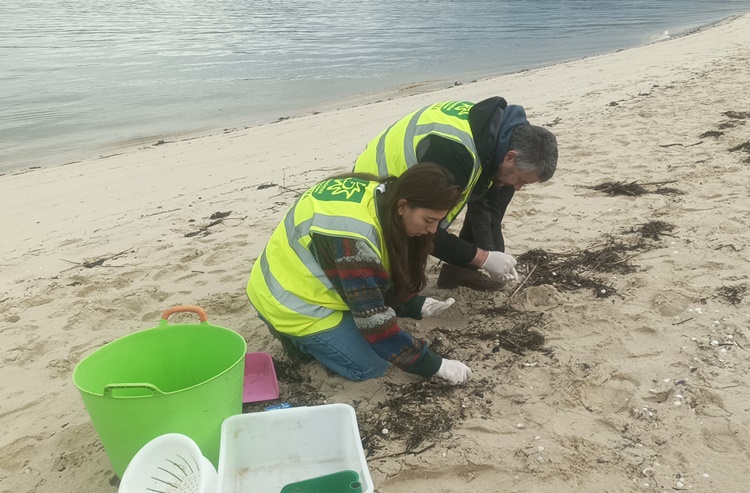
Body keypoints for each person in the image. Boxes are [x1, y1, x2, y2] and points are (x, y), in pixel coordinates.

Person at [246, 163, 472, 385]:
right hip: (289, 303)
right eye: (429, 220)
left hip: (292, 279)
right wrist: (434, 365)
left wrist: (414, 304)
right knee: (371, 366)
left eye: (438, 221)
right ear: (403, 205)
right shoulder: (353, 240)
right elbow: (373, 321)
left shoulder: (376, 193)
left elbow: (371, 279)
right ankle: (294, 339)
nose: (433, 230)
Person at [354, 97, 558, 291]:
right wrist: (483, 258)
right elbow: (428, 228)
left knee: (503, 184)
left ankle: (458, 271)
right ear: (510, 157)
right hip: (376, 188)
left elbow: (489, 209)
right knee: (401, 281)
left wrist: (494, 254)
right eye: (522, 180)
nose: (519, 187)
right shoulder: (454, 154)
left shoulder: (498, 138)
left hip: (431, 176)